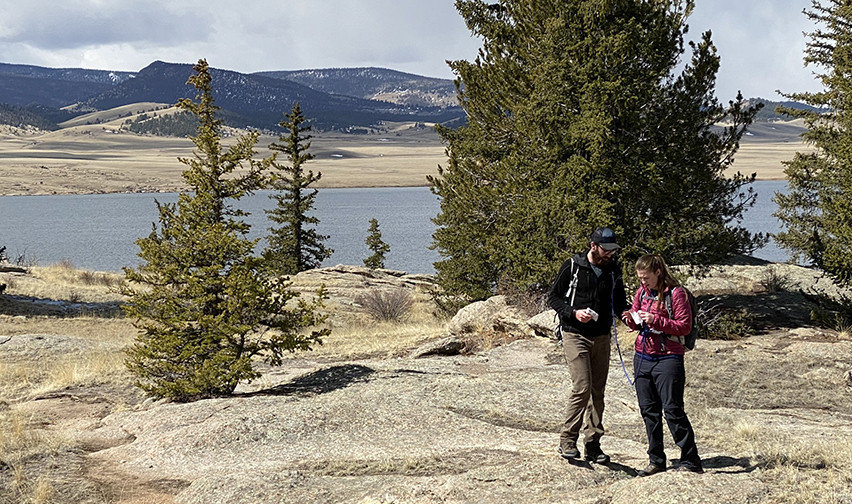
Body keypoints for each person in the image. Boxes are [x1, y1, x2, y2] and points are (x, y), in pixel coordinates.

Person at [548, 227, 627, 464]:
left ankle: (593, 444)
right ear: (593, 246)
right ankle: (567, 440)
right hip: (575, 334)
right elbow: (553, 297)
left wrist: (628, 316)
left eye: (613, 250)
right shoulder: (573, 266)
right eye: (606, 249)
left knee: (598, 392)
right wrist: (573, 312)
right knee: (582, 387)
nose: (610, 254)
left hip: (602, 336)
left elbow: (619, 302)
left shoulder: (613, 270)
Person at [621, 254, 703, 476]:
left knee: (673, 410)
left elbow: (684, 326)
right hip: (643, 356)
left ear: (658, 272)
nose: (643, 282)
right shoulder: (642, 293)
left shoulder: (676, 294)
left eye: (646, 278)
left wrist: (655, 320)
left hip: (668, 358)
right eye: (640, 278)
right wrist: (631, 318)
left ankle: (690, 458)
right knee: (649, 411)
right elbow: (637, 316)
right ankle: (656, 460)